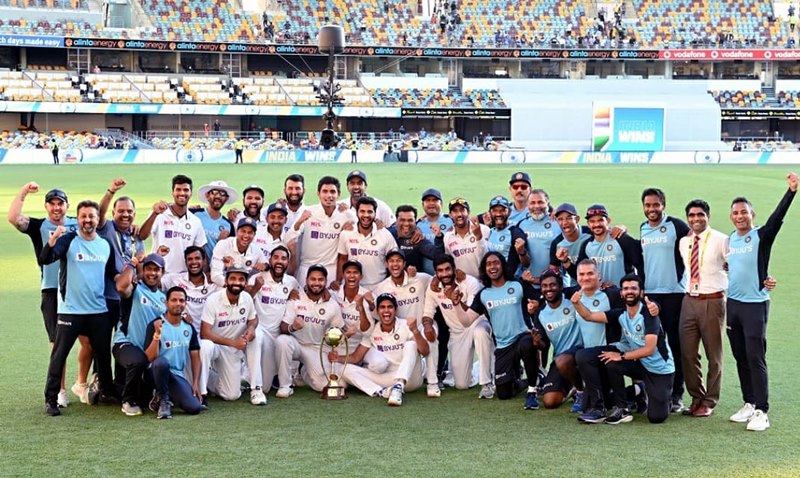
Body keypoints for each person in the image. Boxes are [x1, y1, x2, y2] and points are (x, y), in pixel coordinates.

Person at [726, 172, 797, 431]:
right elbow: (727, 265)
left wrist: (791, 192)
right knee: (740, 356)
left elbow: (777, 219)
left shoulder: (761, 236)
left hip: (755, 306)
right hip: (732, 305)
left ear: (751, 215)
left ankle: (762, 411)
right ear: (731, 217)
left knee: (756, 357)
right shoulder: (729, 240)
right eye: (735, 212)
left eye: (744, 212)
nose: (740, 216)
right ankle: (749, 402)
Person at [39, 200, 119, 416]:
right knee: (59, 355)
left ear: (97, 219)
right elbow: (45, 259)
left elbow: (113, 272)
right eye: (83, 216)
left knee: (103, 355)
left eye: (91, 216)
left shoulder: (105, 245)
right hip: (70, 310)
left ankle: (106, 391)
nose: (87, 220)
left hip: (98, 310)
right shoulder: (68, 240)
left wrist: (128, 275)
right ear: (78, 218)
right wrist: (52, 241)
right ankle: (51, 399)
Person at [7, 183, 80, 407]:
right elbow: (13, 217)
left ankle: (84, 384)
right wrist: (23, 192)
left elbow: (102, 223)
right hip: (51, 290)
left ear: (68, 206)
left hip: (77, 288)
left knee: (88, 339)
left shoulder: (76, 224)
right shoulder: (39, 226)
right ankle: (60, 390)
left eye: (61, 204)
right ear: (46, 206)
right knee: (56, 342)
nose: (56, 208)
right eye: (52, 204)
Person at [573, 274, 674, 425]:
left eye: (634, 288)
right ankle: (622, 409)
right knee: (595, 358)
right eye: (626, 288)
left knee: (656, 418)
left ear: (641, 292)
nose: (629, 291)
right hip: (638, 364)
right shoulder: (621, 314)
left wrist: (621, 356)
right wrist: (576, 303)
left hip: (659, 369)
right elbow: (589, 316)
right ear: (621, 293)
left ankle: (649, 393)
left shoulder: (649, 314)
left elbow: (650, 349)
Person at [455, 252, 542, 408]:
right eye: (488, 264)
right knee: (503, 394)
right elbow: (466, 321)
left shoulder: (518, 284)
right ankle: (523, 379)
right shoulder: (483, 294)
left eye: (496, 263)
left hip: (523, 336)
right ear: (484, 269)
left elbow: (539, 301)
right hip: (503, 346)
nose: (492, 267)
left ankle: (532, 391)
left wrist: (535, 307)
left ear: (502, 265)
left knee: (527, 344)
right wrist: (456, 304)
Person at [639, 188, 691, 412]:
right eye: (648, 205)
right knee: (652, 343)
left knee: (675, 345)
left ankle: (677, 394)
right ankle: (654, 392)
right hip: (651, 295)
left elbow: (696, 245)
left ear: (663, 205)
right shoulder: (642, 228)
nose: (652, 209)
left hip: (674, 294)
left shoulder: (677, 226)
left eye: (656, 205)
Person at [678, 199, 729, 418]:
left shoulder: (721, 239)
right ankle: (696, 397)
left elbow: (735, 265)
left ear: (707, 216)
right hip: (689, 299)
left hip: (713, 299)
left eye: (700, 215)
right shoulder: (684, 242)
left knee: (713, 354)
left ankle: (710, 400)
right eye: (691, 215)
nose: (696, 219)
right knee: (688, 353)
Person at [336, 293, 429, 406]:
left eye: (390, 307)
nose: (386, 311)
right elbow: (356, 357)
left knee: (411, 345)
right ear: (377, 311)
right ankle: (382, 392)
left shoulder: (406, 325)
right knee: (344, 370)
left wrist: (415, 330)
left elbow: (425, 351)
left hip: (410, 378)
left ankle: (398, 387)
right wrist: (337, 358)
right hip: (388, 379)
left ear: (395, 310)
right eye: (382, 307)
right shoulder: (372, 331)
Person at [423, 254, 494, 398]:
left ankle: (487, 382)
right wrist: (427, 326)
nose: (445, 274)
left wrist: (454, 299)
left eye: (448, 269)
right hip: (457, 333)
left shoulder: (470, 282)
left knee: (480, 333)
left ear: (454, 269)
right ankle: (480, 368)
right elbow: (428, 312)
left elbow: (472, 313)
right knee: (462, 385)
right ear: (436, 273)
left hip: (476, 323)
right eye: (440, 271)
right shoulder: (434, 287)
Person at [274, 265, 344, 398]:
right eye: (313, 279)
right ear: (306, 280)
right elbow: (283, 327)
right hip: (296, 344)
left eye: (320, 279)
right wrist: (293, 327)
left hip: (316, 348)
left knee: (322, 385)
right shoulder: (296, 297)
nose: (316, 283)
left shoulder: (332, 304)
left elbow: (337, 330)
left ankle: (303, 371)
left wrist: (345, 336)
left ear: (326, 282)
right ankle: (285, 385)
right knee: (282, 341)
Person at [198, 265, 263, 406]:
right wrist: (233, 343)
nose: (237, 282)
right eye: (232, 278)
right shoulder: (213, 300)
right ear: (226, 281)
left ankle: (256, 389)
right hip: (216, 346)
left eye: (241, 279)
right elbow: (205, 333)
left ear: (245, 283)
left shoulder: (246, 298)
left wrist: (251, 328)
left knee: (231, 395)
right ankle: (201, 394)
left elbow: (253, 318)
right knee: (205, 346)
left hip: (233, 350)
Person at [113, 253, 167, 416]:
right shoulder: (136, 288)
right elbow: (121, 287)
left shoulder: (165, 298)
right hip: (126, 344)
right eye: (148, 269)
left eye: (156, 270)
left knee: (144, 396)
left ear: (162, 272)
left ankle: (110, 388)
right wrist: (132, 263)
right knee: (138, 360)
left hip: (149, 350)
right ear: (143, 271)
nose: (152, 273)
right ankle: (128, 401)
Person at [527, 271, 584, 411]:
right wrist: (537, 342)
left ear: (560, 286)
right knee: (550, 402)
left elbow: (587, 286)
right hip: (561, 359)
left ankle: (582, 393)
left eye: (552, 285)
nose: (548, 289)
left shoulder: (572, 298)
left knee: (562, 360)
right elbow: (544, 344)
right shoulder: (541, 313)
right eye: (544, 286)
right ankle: (574, 386)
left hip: (582, 353)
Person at [144, 287, 204, 419]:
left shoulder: (188, 327)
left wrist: (195, 384)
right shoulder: (156, 324)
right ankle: (164, 401)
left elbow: (195, 356)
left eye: (181, 300)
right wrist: (157, 335)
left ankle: (161, 396)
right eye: (174, 300)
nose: (178, 303)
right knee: (161, 362)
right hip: (155, 372)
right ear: (166, 303)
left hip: (176, 375)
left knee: (194, 408)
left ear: (185, 304)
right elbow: (149, 357)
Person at [286, 176, 350, 286]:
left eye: (332, 192)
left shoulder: (345, 215)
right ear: (318, 194)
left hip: (331, 272)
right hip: (307, 269)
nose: (329, 195)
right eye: (325, 191)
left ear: (338, 194)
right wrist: (299, 221)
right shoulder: (309, 212)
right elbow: (288, 239)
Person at [138, 175, 207, 274]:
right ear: (173, 192)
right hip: (159, 274)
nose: (182, 193)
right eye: (178, 189)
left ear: (191, 193)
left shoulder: (195, 221)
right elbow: (142, 236)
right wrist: (154, 214)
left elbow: (201, 251)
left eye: (186, 190)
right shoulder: (160, 213)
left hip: (183, 277)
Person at [570, 204, 641, 288]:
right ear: (588, 224)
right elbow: (578, 274)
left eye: (600, 220)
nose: (597, 224)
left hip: (623, 295)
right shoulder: (586, 245)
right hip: (600, 296)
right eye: (592, 221)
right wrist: (566, 262)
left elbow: (640, 263)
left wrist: (640, 287)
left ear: (608, 221)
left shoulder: (620, 238)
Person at [335, 196, 398, 289]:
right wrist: (338, 281)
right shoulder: (346, 233)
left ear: (375, 213)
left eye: (370, 212)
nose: (366, 215)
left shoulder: (385, 234)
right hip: (353, 286)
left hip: (379, 286)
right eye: (362, 211)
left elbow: (394, 260)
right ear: (357, 213)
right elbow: (342, 259)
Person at [161, 245, 220, 332]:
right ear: (186, 262)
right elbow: (152, 280)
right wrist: (158, 256)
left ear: (204, 261)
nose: (194, 262)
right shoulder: (175, 279)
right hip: (180, 332)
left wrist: (218, 276)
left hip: (204, 336)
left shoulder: (214, 285)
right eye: (190, 259)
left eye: (197, 258)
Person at [517, 189, 560, 285]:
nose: (536, 206)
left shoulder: (558, 222)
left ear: (547, 203)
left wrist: (561, 212)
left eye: (540, 202)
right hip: (530, 284)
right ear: (528, 205)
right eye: (532, 203)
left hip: (556, 285)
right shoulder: (522, 225)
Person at [210, 217, 267, 287]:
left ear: (254, 235)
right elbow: (215, 275)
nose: (246, 235)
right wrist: (234, 287)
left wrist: (265, 266)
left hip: (244, 289)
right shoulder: (223, 245)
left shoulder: (256, 249)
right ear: (237, 232)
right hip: (223, 288)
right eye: (243, 231)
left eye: (250, 232)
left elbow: (266, 265)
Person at [388, 204, 444, 274]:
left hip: (413, 282)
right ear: (396, 221)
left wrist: (439, 236)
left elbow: (438, 256)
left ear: (415, 221)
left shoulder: (418, 239)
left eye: (410, 220)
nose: (406, 224)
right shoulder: (388, 234)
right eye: (402, 220)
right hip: (389, 283)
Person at [443, 197, 489, 279]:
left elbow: (488, 257)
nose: (459, 214)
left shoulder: (484, 230)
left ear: (468, 212)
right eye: (455, 211)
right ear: (450, 215)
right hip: (463, 284)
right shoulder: (448, 237)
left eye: (462, 210)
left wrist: (479, 237)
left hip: (484, 283)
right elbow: (450, 263)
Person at [550, 203, 591, 288]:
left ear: (577, 219)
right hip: (574, 287)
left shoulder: (590, 233)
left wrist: (621, 227)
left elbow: (607, 232)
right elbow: (553, 272)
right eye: (560, 219)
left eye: (569, 218)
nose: (565, 222)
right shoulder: (556, 244)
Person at [486, 195, 529, 276]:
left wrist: (522, 252)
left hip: (510, 281)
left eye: (502, 210)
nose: (498, 214)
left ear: (509, 212)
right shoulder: (490, 231)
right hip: (493, 281)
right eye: (495, 210)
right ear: (490, 212)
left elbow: (526, 264)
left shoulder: (515, 233)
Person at [194, 180, 237, 261]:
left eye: (222, 193)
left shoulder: (228, 225)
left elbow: (230, 253)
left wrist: (220, 243)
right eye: (214, 192)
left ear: (226, 198)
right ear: (207, 195)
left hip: (215, 269)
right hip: (193, 267)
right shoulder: (195, 214)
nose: (218, 196)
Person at [417, 188, 454, 275]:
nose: (431, 203)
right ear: (423, 205)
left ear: (441, 204)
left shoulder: (451, 221)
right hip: (425, 276)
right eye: (428, 200)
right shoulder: (418, 225)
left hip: (448, 274)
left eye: (435, 200)